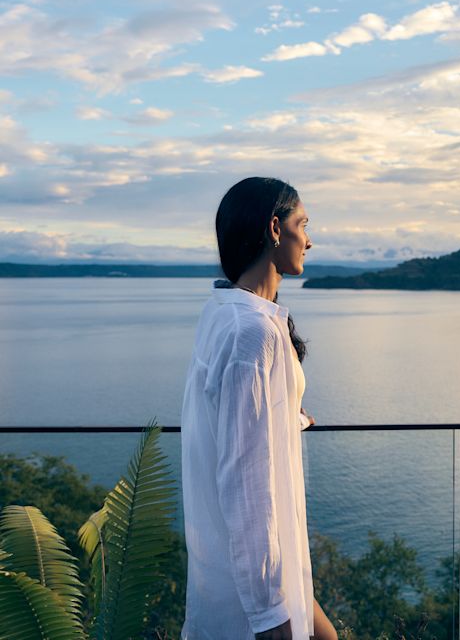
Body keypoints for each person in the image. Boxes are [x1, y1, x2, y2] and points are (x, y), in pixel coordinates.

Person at [181, 177, 338, 640]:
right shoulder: (252, 333)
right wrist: (270, 616)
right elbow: (246, 485)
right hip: (251, 594)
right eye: (302, 225)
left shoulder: (224, 313)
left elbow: (232, 416)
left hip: (235, 572)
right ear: (274, 228)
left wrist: (290, 416)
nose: (308, 240)